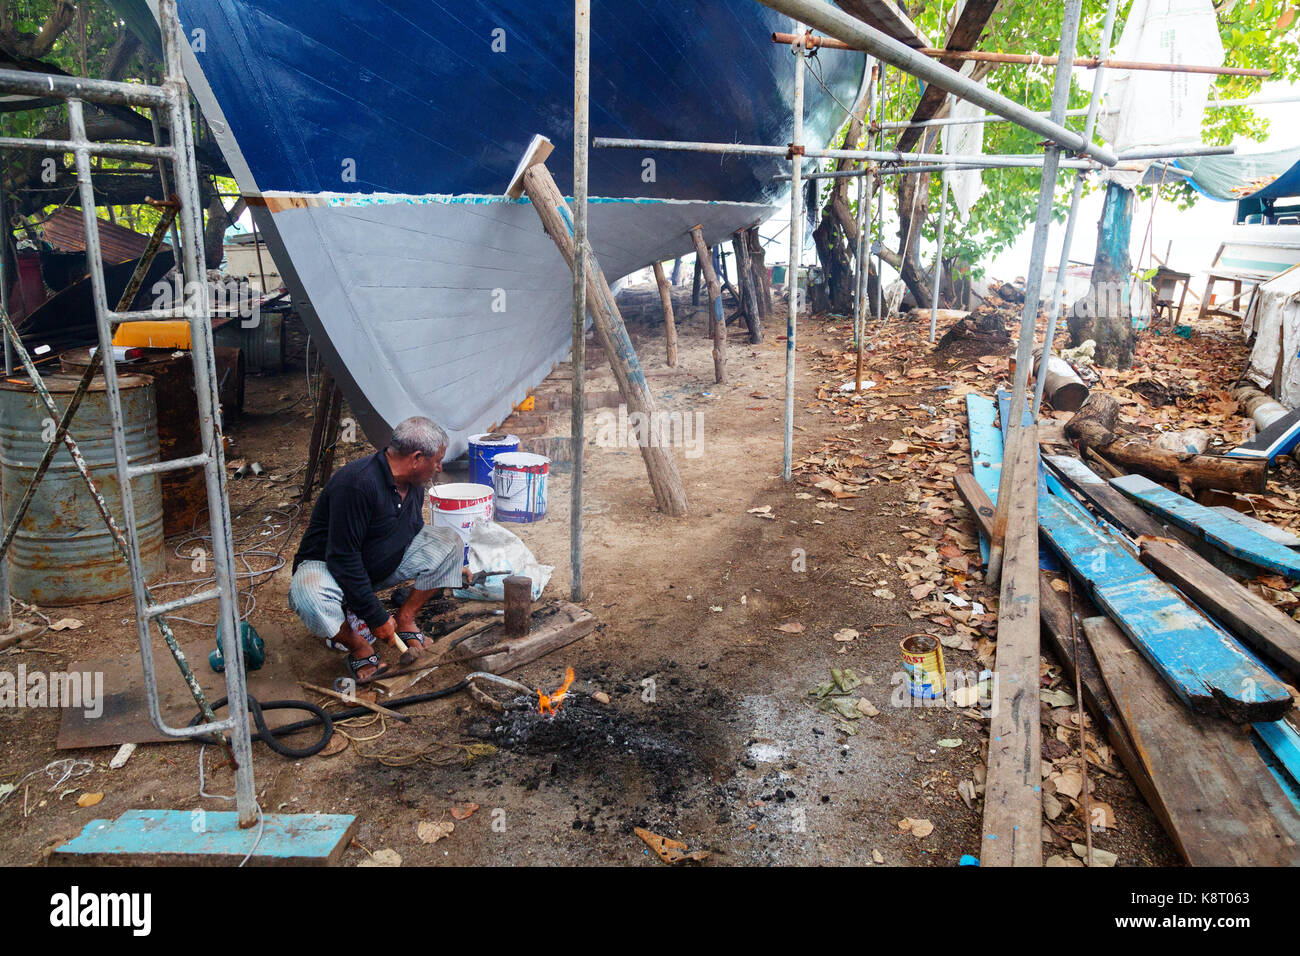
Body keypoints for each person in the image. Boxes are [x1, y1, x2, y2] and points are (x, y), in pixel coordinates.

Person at [289, 416, 462, 680]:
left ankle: (404, 620)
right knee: (308, 595)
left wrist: (455, 564)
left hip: (375, 565)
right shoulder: (357, 485)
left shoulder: (414, 484)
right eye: (436, 460)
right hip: (330, 567)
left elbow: (413, 528)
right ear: (416, 458)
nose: (439, 467)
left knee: (452, 545)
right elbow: (343, 558)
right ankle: (358, 646)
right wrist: (374, 614)